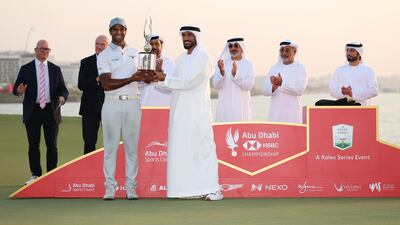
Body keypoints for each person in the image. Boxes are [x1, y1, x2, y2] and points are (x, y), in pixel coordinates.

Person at [155, 26, 223, 201]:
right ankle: (188, 190)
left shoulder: (204, 57)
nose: (186, 38)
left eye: (189, 35)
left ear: (196, 37)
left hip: (197, 113)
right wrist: (156, 76)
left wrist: (165, 78)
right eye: (183, 35)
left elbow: (191, 82)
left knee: (203, 149)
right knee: (183, 150)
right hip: (180, 113)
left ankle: (214, 189)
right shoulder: (181, 59)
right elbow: (172, 84)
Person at [97, 17, 143, 200]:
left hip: (133, 102)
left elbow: (144, 76)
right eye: (114, 29)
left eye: (121, 29)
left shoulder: (135, 52)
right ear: (110, 32)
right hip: (112, 103)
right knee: (110, 148)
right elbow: (106, 84)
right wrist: (131, 79)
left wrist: (152, 73)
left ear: (126, 31)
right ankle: (110, 187)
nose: (118, 32)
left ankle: (130, 187)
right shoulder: (104, 55)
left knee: (131, 148)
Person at [13, 40, 69, 185]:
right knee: (33, 145)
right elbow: (16, 89)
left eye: (48, 49)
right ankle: (35, 175)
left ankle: (51, 175)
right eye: (43, 49)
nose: (45, 51)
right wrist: (19, 91)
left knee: (52, 145)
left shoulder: (55, 69)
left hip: (51, 110)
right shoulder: (26, 69)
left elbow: (63, 89)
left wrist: (63, 97)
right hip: (33, 111)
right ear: (36, 50)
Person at [263, 40, 307, 123]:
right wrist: (273, 87)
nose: (284, 53)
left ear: (294, 52)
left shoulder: (300, 68)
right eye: (282, 50)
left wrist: (281, 84)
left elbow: (300, 90)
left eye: (287, 50)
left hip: (293, 114)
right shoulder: (274, 68)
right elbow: (265, 91)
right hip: (276, 114)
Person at [78, 35, 109, 154]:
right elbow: (81, 84)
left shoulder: (115, 62)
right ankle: (88, 170)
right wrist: (96, 79)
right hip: (89, 108)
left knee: (111, 141)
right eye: (97, 44)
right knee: (89, 142)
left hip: (109, 106)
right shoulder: (85, 62)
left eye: (102, 44)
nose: (99, 47)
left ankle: (110, 170)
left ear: (107, 46)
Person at [211, 37, 254, 122]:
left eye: (236, 45)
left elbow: (249, 86)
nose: (233, 48)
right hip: (224, 109)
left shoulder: (248, 64)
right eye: (230, 46)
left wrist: (235, 75)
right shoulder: (222, 64)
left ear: (242, 48)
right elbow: (215, 85)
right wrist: (222, 72)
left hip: (241, 109)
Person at [139, 35, 174, 106]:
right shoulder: (142, 61)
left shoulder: (169, 62)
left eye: (156, 44)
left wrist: (160, 75)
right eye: (151, 44)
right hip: (145, 104)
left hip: (164, 105)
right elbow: (137, 84)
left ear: (161, 46)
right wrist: (152, 77)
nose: (154, 47)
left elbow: (172, 86)